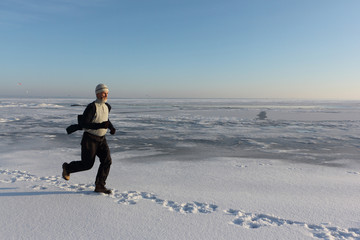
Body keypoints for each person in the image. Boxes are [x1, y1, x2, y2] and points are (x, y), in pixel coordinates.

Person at [62, 84, 116, 194]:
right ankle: (68, 168)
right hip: (90, 139)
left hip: (102, 139)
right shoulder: (92, 107)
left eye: (107, 93)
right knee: (87, 164)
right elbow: (84, 124)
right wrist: (101, 125)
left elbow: (105, 119)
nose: (106, 95)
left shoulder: (107, 106)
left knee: (107, 161)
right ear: (97, 94)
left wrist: (111, 127)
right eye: (103, 93)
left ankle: (100, 186)